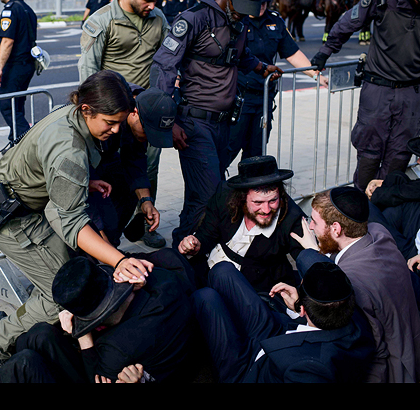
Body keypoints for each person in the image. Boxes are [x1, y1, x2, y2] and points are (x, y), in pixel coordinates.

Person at [0, 70, 155, 374]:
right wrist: (120, 260)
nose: (115, 130)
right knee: (62, 294)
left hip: (29, 207)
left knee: (65, 274)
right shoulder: (67, 150)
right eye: (109, 123)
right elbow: (72, 222)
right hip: (14, 221)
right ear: (86, 109)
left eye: (120, 122)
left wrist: (85, 180)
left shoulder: (73, 117)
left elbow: (56, 175)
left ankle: (17, 322)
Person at [149, 0, 284, 250]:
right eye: (240, 4)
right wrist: (168, 122)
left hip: (224, 123)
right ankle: (193, 253)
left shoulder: (238, 21)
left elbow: (240, 53)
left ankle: (184, 255)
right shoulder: (194, 18)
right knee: (211, 194)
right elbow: (164, 66)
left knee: (199, 197)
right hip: (193, 123)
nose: (244, 12)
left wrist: (261, 67)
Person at [0, 250, 197, 383]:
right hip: (154, 346)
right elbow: (171, 260)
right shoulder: (161, 281)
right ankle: (12, 356)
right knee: (41, 333)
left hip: (97, 372)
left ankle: (8, 373)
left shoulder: (118, 348)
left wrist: (82, 334)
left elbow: (96, 378)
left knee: (26, 362)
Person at [79, 0, 170, 249]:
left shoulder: (159, 19)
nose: (152, 6)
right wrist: (93, 112)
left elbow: (166, 62)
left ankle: (143, 223)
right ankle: (99, 233)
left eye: (156, 0)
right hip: (112, 113)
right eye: (147, 0)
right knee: (103, 172)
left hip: (145, 114)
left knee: (146, 168)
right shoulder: (102, 20)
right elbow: (88, 70)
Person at [294, 186, 420, 383]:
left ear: (335, 228)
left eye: (314, 222)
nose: (310, 227)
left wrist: (314, 252)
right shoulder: (379, 233)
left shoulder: (351, 281)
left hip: (391, 372)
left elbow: (362, 344)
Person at [310, 0, 420, 193]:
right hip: (378, 89)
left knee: (399, 157)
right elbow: (349, 22)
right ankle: (360, 208)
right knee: (369, 154)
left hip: (412, 93)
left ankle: (383, 210)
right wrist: (325, 52)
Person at [192, 260, 376, 383]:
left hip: (248, 370)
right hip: (279, 335)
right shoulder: (354, 319)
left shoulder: (309, 370)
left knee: (205, 298)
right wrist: (297, 309)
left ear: (304, 308)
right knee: (223, 270)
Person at [178, 156, 305, 298]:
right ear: (242, 198)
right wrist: (196, 244)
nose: (267, 209)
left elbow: (307, 258)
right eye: (258, 202)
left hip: (254, 289)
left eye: (273, 200)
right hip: (208, 270)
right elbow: (207, 233)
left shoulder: (292, 217)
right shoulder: (224, 195)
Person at [227, 0, 327, 166]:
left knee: (256, 155)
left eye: (265, 2)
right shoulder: (236, 20)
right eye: (258, 3)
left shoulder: (275, 21)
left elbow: (292, 53)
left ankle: (249, 193)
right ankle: (218, 192)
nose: (262, 6)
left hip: (264, 98)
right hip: (238, 96)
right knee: (228, 149)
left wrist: (315, 75)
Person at [86, 87, 177, 249]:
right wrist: (100, 236)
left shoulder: (139, 116)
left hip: (107, 161)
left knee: (128, 190)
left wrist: (146, 201)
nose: (148, 138)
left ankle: (111, 242)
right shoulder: (103, 115)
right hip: (77, 174)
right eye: (148, 131)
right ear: (134, 112)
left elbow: (135, 159)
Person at [0, 0, 38, 142]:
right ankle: (15, 143)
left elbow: (7, 41)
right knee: (17, 106)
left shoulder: (10, 10)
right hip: (27, 65)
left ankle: (29, 142)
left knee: (7, 106)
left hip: (15, 66)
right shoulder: (27, 9)